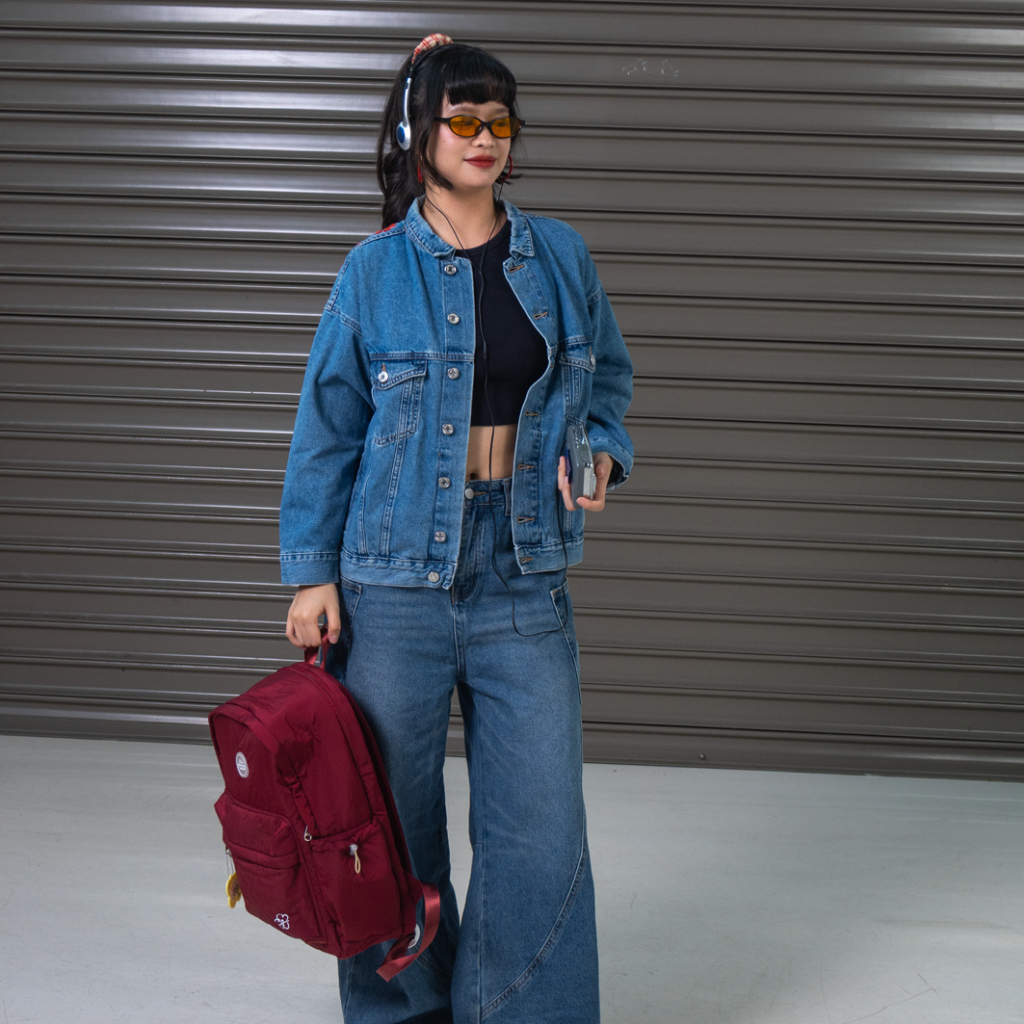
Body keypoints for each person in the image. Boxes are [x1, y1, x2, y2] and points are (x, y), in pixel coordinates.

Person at [279, 34, 633, 1024]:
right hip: (392, 578)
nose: (484, 136)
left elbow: (607, 377)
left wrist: (602, 453)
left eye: (498, 119)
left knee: (539, 831)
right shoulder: (373, 271)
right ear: (419, 133)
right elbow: (328, 426)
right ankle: (404, 1012)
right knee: (387, 824)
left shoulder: (559, 255)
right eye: (460, 117)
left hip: (522, 567)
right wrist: (311, 573)